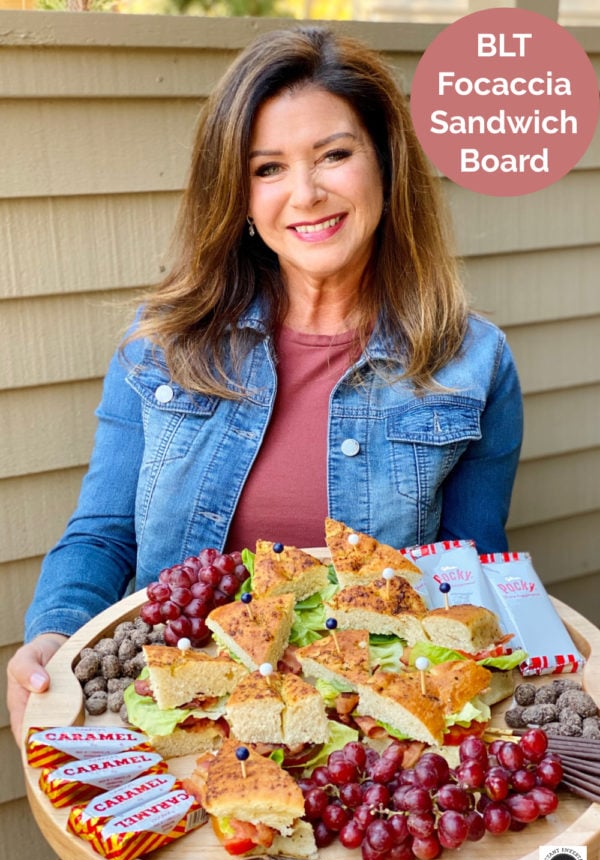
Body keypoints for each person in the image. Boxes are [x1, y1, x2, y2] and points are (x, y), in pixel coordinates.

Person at [7, 25, 523, 744]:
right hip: (175, 727)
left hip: (369, 738)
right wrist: (54, 631)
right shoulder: (161, 344)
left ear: (385, 164)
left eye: (334, 156)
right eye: (268, 168)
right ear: (239, 194)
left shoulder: (472, 362)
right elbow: (103, 534)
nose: (306, 194)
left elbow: (464, 585)